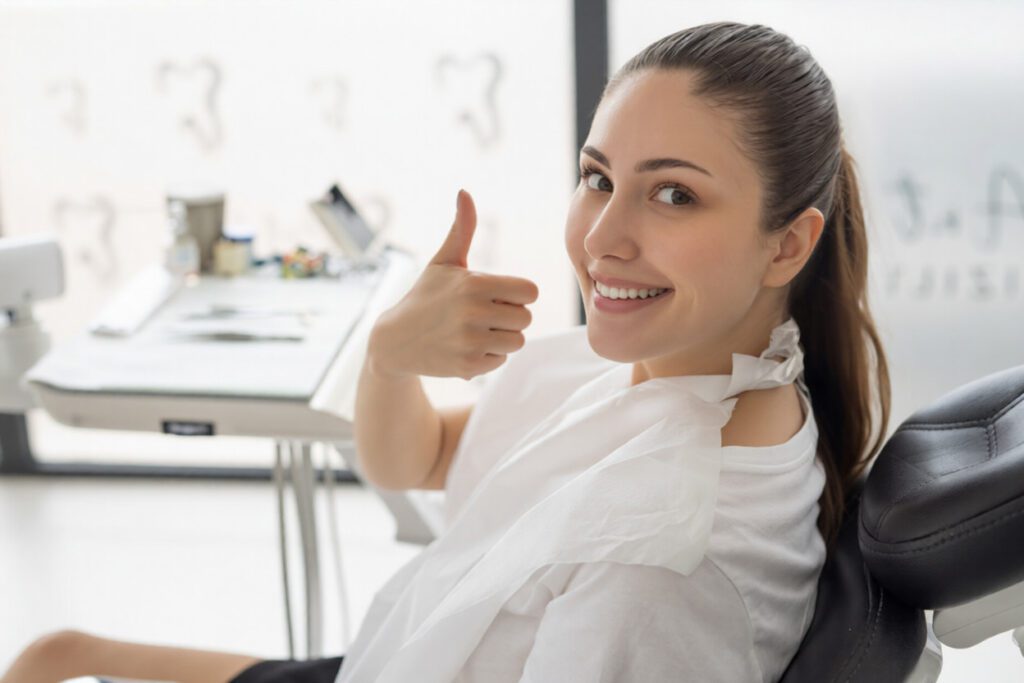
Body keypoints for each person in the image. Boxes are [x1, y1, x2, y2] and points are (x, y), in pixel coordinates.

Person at [2, 20, 890, 683]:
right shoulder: (694, 371)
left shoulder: (655, 569)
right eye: (598, 178)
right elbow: (418, 453)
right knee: (57, 651)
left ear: (787, 244)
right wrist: (390, 355)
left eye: (673, 194)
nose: (603, 237)